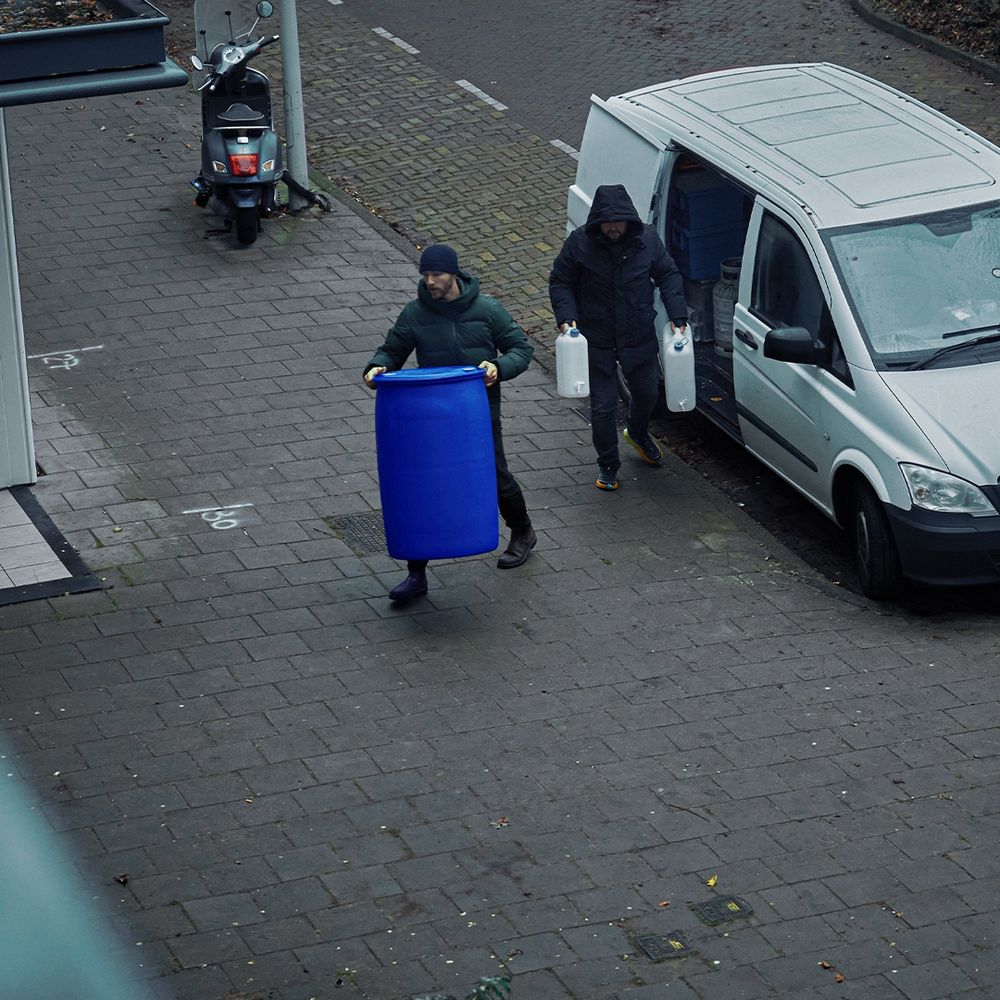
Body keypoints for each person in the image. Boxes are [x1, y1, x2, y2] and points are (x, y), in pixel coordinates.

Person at [363, 244, 536, 605]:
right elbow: (391, 350)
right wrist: (376, 366)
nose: (430, 282)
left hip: (477, 413)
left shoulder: (487, 310)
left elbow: (521, 348)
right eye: (425, 275)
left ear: (453, 274)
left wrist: (498, 368)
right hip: (428, 418)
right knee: (423, 487)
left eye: (436, 275)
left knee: (495, 475)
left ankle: (522, 532)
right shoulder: (414, 314)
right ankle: (416, 573)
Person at [548, 183, 688, 491]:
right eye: (607, 222)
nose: (613, 227)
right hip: (596, 337)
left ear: (629, 221)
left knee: (648, 394)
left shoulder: (647, 240)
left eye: (618, 221)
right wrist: (565, 317)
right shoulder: (579, 244)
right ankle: (608, 464)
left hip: (637, 334)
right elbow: (561, 281)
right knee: (603, 406)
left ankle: (637, 433)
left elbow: (668, 274)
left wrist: (677, 313)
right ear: (598, 221)